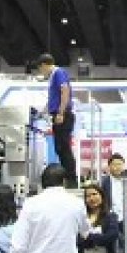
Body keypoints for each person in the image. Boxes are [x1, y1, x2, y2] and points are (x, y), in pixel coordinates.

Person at [36, 52, 78, 182]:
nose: (41, 72)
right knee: (59, 148)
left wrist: (61, 113)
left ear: (44, 65)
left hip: (63, 115)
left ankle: (71, 179)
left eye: (40, 69)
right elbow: (53, 99)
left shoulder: (58, 72)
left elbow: (65, 91)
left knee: (64, 148)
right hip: (58, 114)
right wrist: (43, 112)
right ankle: (66, 177)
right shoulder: (53, 76)